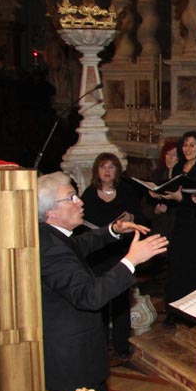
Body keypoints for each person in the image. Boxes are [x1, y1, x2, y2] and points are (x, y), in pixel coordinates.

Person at [37, 171, 168, 391]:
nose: (80, 202)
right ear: (50, 211)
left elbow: (81, 244)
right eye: (71, 197)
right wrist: (131, 261)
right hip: (73, 361)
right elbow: (90, 296)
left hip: (75, 356)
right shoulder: (52, 249)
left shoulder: (52, 236)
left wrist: (113, 230)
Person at [79, 153, 146, 358]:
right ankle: (99, 345)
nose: (107, 171)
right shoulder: (89, 194)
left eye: (111, 167)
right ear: (97, 171)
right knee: (98, 299)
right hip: (97, 255)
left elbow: (140, 217)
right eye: (103, 167)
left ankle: (121, 345)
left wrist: (131, 218)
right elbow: (81, 225)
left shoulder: (126, 191)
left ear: (117, 170)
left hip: (120, 251)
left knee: (121, 300)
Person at [157, 131, 196, 324]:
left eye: (192, 145)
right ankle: (174, 311)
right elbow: (174, 193)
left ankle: (193, 314)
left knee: (193, 268)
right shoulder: (179, 166)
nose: (188, 149)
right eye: (185, 144)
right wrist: (160, 195)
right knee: (177, 266)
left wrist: (182, 199)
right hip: (180, 221)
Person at [144, 141, 179, 238]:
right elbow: (145, 206)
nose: (170, 158)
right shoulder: (157, 175)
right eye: (168, 154)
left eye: (174, 155)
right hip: (160, 226)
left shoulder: (183, 178)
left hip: (177, 228)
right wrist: (156, 211)